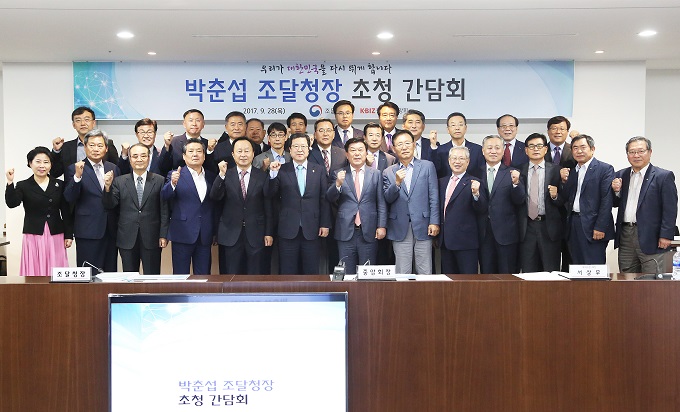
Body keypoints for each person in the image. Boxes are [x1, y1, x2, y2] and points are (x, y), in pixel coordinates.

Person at [266, 133, 331, 274]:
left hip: (312, 228)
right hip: (288, 228)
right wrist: (273, 174)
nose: (300, 150)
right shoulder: (281, 169)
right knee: (287, 271)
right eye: (296, 146)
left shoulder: (319, 170)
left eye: (303, 146)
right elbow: (270, 194)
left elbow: (324, 199)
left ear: (309, 149)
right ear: (290, 149)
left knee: (311, 271)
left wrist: (324, 224)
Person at [611, 136, 678, 273]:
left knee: (652, 278)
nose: (636, 155)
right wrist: (616, 191)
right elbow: (614, 203)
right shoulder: (621, 175)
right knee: (627, 277)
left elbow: (670, 209)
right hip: (626, 234)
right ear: (627, 154)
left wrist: (666, 235)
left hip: (652, 236)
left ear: (650, 152)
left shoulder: (663, 176)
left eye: (641, 151)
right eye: (632, 152)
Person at [5, 147, 73, 276]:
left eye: (46, 162)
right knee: (34, 270)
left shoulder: (59, 184)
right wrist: (10, 182)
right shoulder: (23, 185)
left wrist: (69, 235)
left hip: (56, 233)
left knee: (56, 270)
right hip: (33, 234)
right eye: (38, 161)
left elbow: (66, 211)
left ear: (51, 165)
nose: (42, 166)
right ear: (30, 163)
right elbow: (12, 203)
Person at [210, 138, 274, 274]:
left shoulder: (262, 176)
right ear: (233, 154)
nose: (243, 155)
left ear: (253, 154)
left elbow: (268, 206)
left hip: (256, 233)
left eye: (247, 151)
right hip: (230, 233)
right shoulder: (226, 174)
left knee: (255, 274)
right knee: (231, 274)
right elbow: (215, 196)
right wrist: (221, 174)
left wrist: (268, 232)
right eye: (239, 151)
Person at [103, 143, 169, 274]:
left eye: (143, 156)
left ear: (149, 158)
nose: (139, 159)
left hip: (152, 237)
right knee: (129, 278)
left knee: (152, 276)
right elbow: (110, 205)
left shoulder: (160, 180)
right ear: (130, 158)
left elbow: (164, 210)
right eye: (135, 156)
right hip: (126, 237)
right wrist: (107, 187)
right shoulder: (119, 181)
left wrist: (163, 235)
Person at [326, 138, 387, 274]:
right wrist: (338, 184)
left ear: (366, 153)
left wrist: (381, 226)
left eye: (360, 150)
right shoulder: (338, 173)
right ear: (347, 155)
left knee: (367, 272)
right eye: (353, 150)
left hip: (369, 230)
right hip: (345, 230)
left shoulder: (376, 174)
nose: (357, 154)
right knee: (347, 272)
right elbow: (330, 198)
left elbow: (381, 202)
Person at [383, 130, 440, 274]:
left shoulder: (427, 166)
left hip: (423, 224)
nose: (404, 147)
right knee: (402, 271)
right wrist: (396, 183)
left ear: (414, 145)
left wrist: (434, 221)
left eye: (407, 143)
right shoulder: (388, 172)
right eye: (400, 144)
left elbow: (434, 196)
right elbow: (388, 198)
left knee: (425, 270)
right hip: (399, 226)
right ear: (394, 148)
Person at [63, 129, 120, 272]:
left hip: (110, 230)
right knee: (88, 274)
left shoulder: (113, 168)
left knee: (110, 273)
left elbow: (117, 199)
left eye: (100, 145)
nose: (96, 149)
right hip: (87, 230)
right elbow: (69, 197)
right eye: (92, 145)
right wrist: (77, 177)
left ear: (106, 148)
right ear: (85, 146)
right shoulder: (74, 169)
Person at [161, 138, 217, 275]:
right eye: (191, 151)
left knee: (204, 275)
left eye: (199, 151)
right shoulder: (175, 174)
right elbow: (164, 196)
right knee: (180, 276)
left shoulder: (211, 176)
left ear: (204, 156)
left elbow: (214, 204)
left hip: (204, 234)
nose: (195, 154)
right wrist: (173, 183)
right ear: (184, 156)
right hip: (182, 233)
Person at [560, 134, 614, 265]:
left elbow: (606, 200)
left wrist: (600, 227)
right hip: (573, 224)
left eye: (583, 147)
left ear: (592, 149)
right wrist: (563, 182)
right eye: (575, 148)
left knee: (593, 267)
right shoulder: (572, 171)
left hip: (594, 226)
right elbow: (566, 197)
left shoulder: (604, 169)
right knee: (576, 266)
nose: (579, 151)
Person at [475, 135, 525, 274]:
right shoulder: (475, 173)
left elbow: (520, 200)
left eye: (497, 148)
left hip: (506, 234)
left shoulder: (512, 173)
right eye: (489, 148)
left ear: (503, 151)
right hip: (483, 233)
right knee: (486, 274)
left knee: (507, 275)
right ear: (483, 151)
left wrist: (516, 183)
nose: (493, 151)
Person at [518, 133, 566, 272]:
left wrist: (555, 196)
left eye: (539, 146)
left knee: (550, 271)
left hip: (549, 227)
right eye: (531, 146)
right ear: (526, 150)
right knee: (528, 272)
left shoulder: (556, 170)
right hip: (526, 227)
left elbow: (564, 201)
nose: (535, 149)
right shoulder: (518, 171)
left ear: (545, 149)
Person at [439, 146, 487, 274]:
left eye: (461, 158)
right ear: (449, 160)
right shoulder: (442, 182)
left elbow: (482, 208)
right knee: (448, 280)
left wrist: (476, 194)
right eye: (454, 158)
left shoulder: (474, 182)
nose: (457, 161)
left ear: (468, 161)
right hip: (445, 241)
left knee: (467, 281)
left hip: (466, 242)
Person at [51, 106, 119, 179]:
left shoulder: (106, 144)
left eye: (87, 120)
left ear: (93, 123)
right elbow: (55, 173)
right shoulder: (66, 147)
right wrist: (56, 151)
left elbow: (117, 169)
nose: (83, 123)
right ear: (73, 125)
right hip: (73, 185)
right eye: (78, 120)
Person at [430, 112, 484, 179]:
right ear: (448, 129)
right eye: (453, 125)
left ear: (465, 128)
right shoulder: (440, 150)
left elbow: (482, 174)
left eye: (460, 125)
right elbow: (434, 171)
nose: (457, 128)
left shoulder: (477, 150)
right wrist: (433, 145)